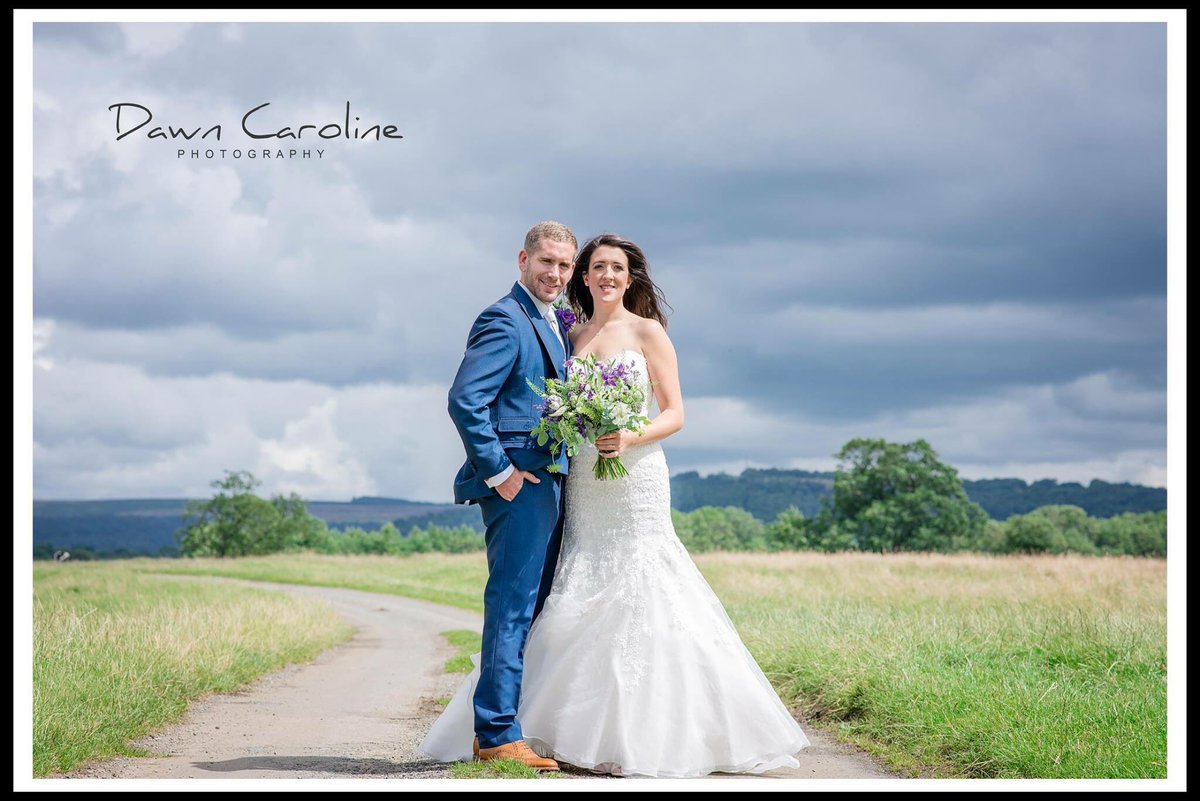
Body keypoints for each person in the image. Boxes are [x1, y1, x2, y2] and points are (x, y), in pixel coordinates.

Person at [421, 233, 810, 778]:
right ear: (581, 275)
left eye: (616, 268)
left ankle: (648, 730)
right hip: (578, 478)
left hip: (633, 474)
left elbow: (674, 413)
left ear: (630, 278)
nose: (604, 275)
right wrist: (503, 469)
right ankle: (520, 728)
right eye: (594, 266)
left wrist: (629, 436)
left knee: (642, 585)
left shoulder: (645, 331)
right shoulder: (566, 329)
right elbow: (484, 399)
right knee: (564, 593)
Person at [442, 221, 578, 772]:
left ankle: (509, 724)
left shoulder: (557, 321)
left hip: (553, 482)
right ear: (523, 260)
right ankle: (497, 734)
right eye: (547, 262)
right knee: (513, 607)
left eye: (565, 266)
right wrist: (502, 474)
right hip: (520, 485)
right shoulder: (504, 318)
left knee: (536, 605)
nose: (556, 274)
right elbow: (464, 400)